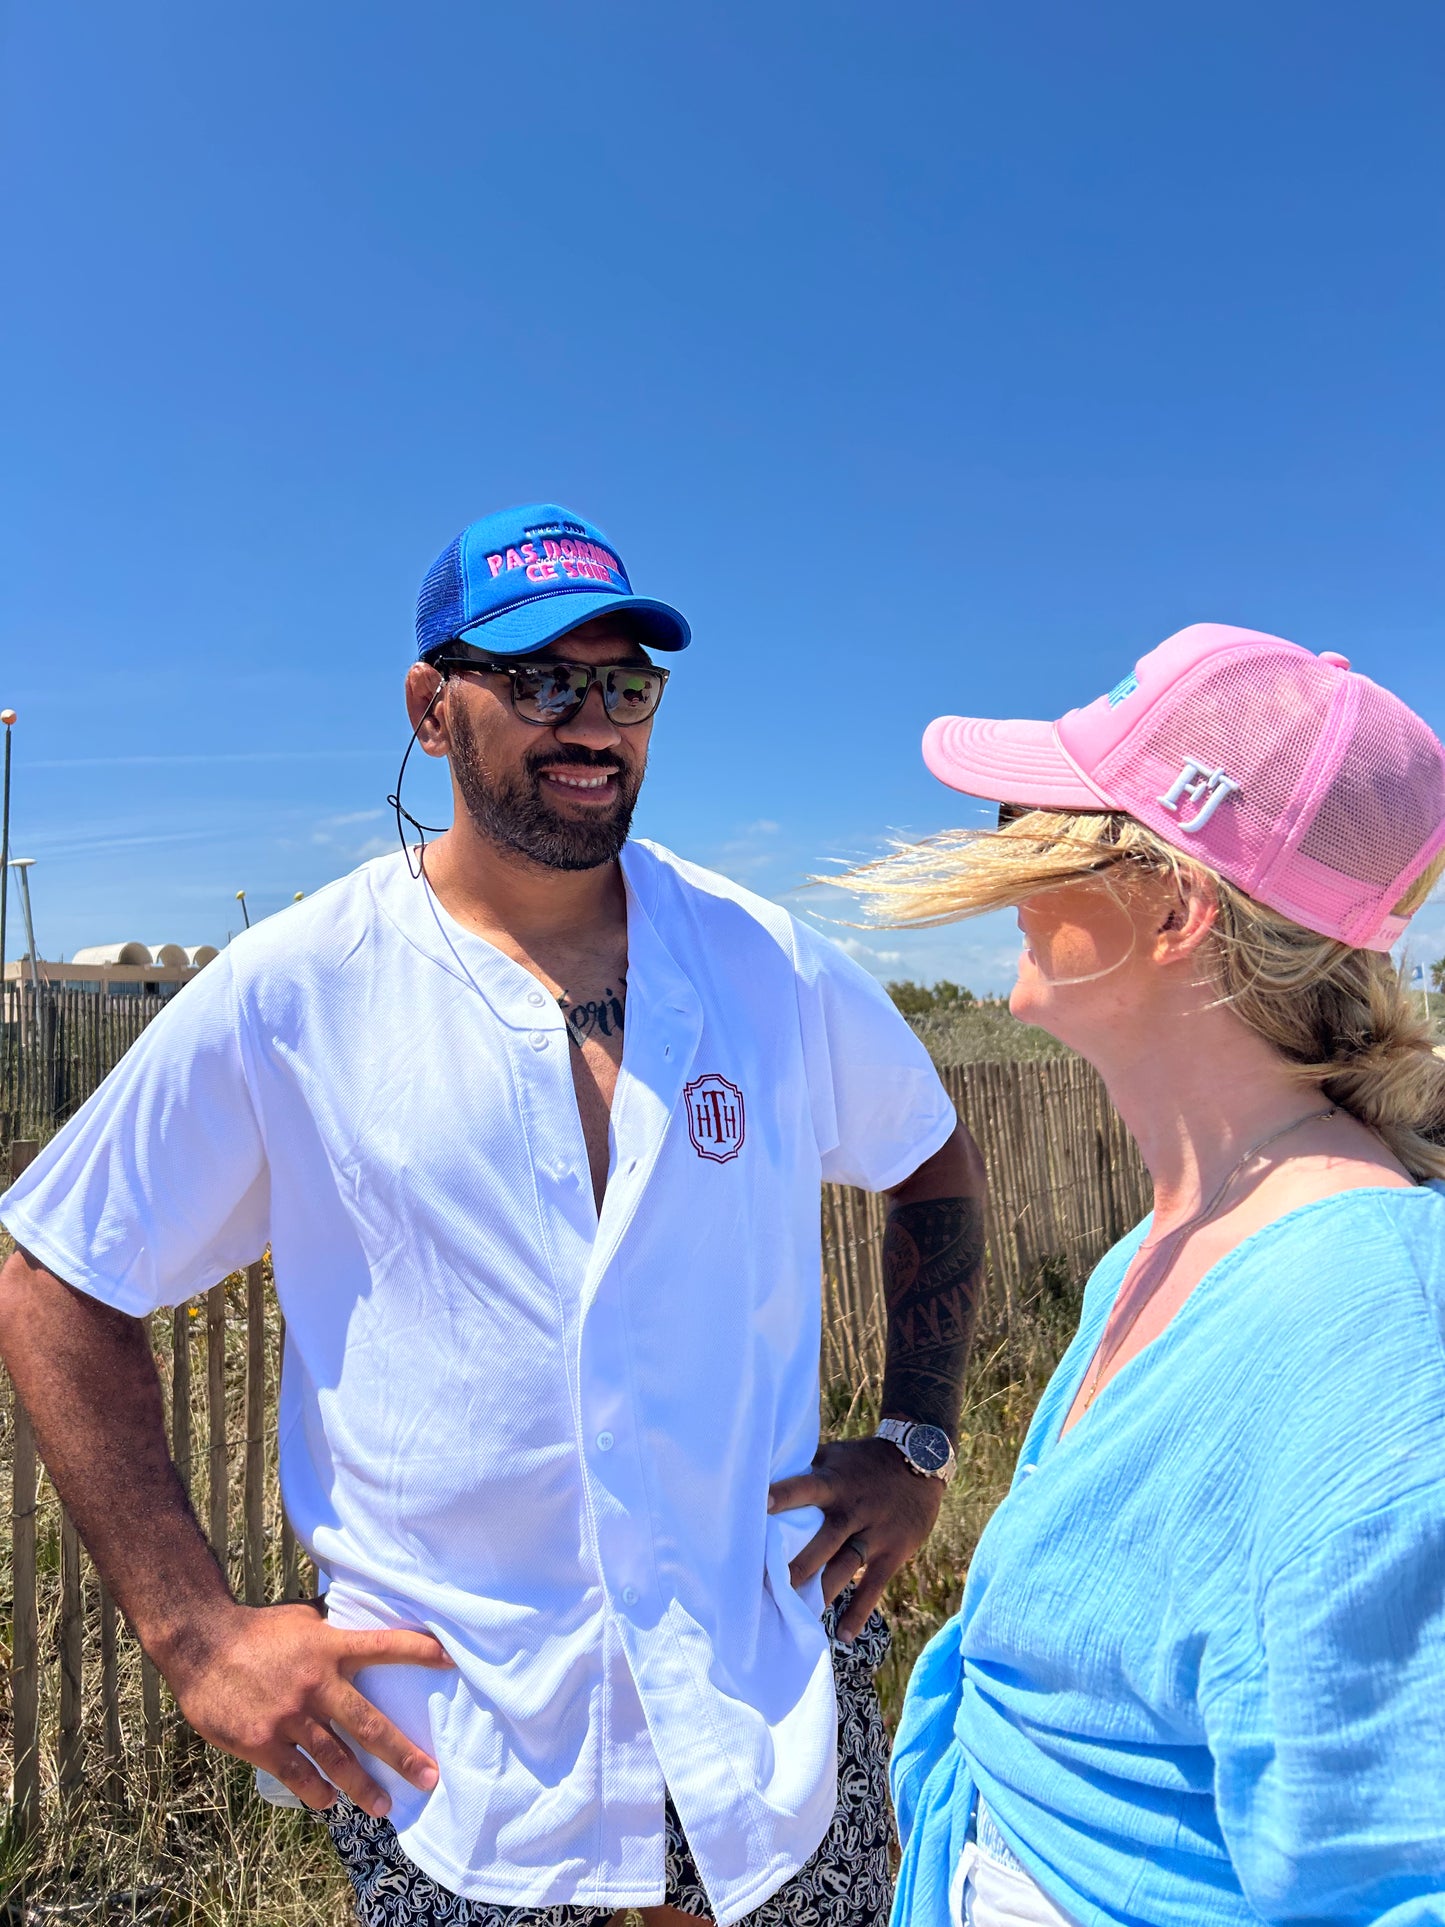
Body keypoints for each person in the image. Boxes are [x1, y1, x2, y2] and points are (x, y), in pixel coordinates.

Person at [0, 503, 988, 1927]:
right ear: (429, 707)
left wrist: (917, 1440)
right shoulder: (297, 988)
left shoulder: (769, 963)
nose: (593, 720)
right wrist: (194, 1630)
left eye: (627, 684)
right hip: (456, 1764)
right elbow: (57, 1279)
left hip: (765, 1704)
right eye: (541, 679)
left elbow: (930, 1160)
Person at [848, 623, 1445, 1925]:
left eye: (1041, 822)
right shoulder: (1170, 1236)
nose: (1005, 865)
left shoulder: (1375, 1342)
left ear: (1176, 908)